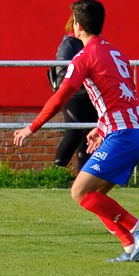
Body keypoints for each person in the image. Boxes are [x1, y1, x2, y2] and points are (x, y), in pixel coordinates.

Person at [14, 0, 139, 263]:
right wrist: (100, 126)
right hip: (135, 131)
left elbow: (60, 97)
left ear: (77, 26)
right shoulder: (116, 53)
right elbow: (122, 97)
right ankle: (129, 248)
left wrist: (31, 128)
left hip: (122, 136)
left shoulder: (83, 56)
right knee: (95, 196)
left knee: (79, 192)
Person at [49, 15, 98, 169]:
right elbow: (62, 71)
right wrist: (84, 80)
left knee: (88, 137)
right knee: (73, 133)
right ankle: (56, 173)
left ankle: (83, 176)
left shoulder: (91, 44)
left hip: (91, 96)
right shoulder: (69, 43)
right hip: (74, 96)